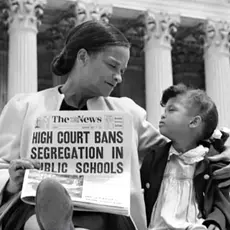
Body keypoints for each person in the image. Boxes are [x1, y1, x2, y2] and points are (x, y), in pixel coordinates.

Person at [0, 21, 229, 230]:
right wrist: (12, 181)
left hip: (108, 214)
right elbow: (2, 167)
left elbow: (180, 146)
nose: (118, 77)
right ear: (82, 57)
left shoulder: (127, 113)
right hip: (36, 208)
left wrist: (226, 144)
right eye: (112, 66)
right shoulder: (24, 107)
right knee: (36, 221)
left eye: (122, 71)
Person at [140, 84, 230, 230]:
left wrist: (215, 223)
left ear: (194, 122)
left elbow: (223, 202)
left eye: (171, 110)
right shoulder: (153, 157)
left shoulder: (213, 161)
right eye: (165, 110)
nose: (163, 115)